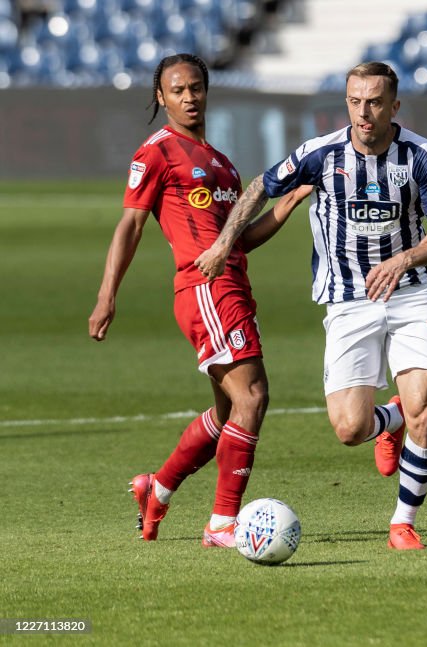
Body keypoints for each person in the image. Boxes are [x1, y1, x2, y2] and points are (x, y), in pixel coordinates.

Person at [195, 61, 427, 551]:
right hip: (346, 301)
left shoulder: (420, 155)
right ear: (347, 103)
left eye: (375, 102)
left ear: (393, 106)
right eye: (356, 101)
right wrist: (221, 243)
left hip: (411, 293)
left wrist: (406, 258)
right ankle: (391, 420)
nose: (365, 111)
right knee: (349, 428)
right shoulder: (319, 154)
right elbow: (260, 186)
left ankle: (402, 522)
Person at [88, 53, 309, 548]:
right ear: (160, 97)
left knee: (231, 411)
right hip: (205, 288)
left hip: (233, 284)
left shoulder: (221, 164)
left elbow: (240, 239)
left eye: (196, 88)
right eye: (178, 90)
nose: (189, 97)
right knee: (253, 397)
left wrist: (289, 202)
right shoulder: (157, 152)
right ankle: (222, 524)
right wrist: (107, 296)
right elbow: (130, 224)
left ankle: (156, 488)